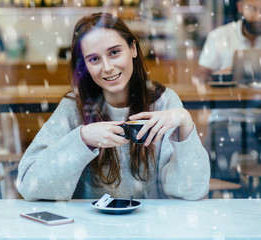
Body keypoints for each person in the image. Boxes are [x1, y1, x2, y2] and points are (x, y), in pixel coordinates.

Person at [17, 12, 210, 201]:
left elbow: (191, 191)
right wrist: (82, 139)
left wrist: (185, 122)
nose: (107, 67)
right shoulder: (73, 108)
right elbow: (30, 186)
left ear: (133, 48)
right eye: (94, 59)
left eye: (114, 52)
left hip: (151, 229)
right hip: (89, 229)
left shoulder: (164, 103)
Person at [197, 0, 261, 181]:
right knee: (216, 162)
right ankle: (229, 196)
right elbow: (200, 77)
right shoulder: (219, 36)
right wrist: (220, 75)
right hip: (227, 117)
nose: (258, 15)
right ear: (240, 8)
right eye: (251, 8)